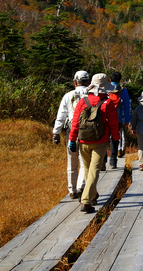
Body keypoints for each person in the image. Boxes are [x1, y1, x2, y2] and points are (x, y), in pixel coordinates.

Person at [68, 73, 120, 214]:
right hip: (100, 141)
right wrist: (116, 139)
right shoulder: (108, 103)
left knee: (88, 170)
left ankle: (93, 195)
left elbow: (75, 123)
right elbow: (114, 124)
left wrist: (72, 140)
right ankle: (86, 201)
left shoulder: (82, 101)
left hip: (83, 141)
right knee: (94, 170)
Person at [52, 70, 89, 199]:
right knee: (84, 161)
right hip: (87, 132)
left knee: (71, 161)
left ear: (75, 82)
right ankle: (80, 187)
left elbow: (61, 116)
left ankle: (72, 190)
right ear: (88, 82)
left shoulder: (68, 96)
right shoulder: (91, 95)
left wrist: (56, 133)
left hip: (71, 132)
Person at [107, 71, 131, 169]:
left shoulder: (106, 89)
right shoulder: (123, 91)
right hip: (117, 120)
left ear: (110, 80)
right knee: (115, 139)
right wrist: (127, 120)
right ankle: (113, 162)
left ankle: (103, 162)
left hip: (105, 119)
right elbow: (127, 107)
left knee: (104, 140)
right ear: (120, 80)